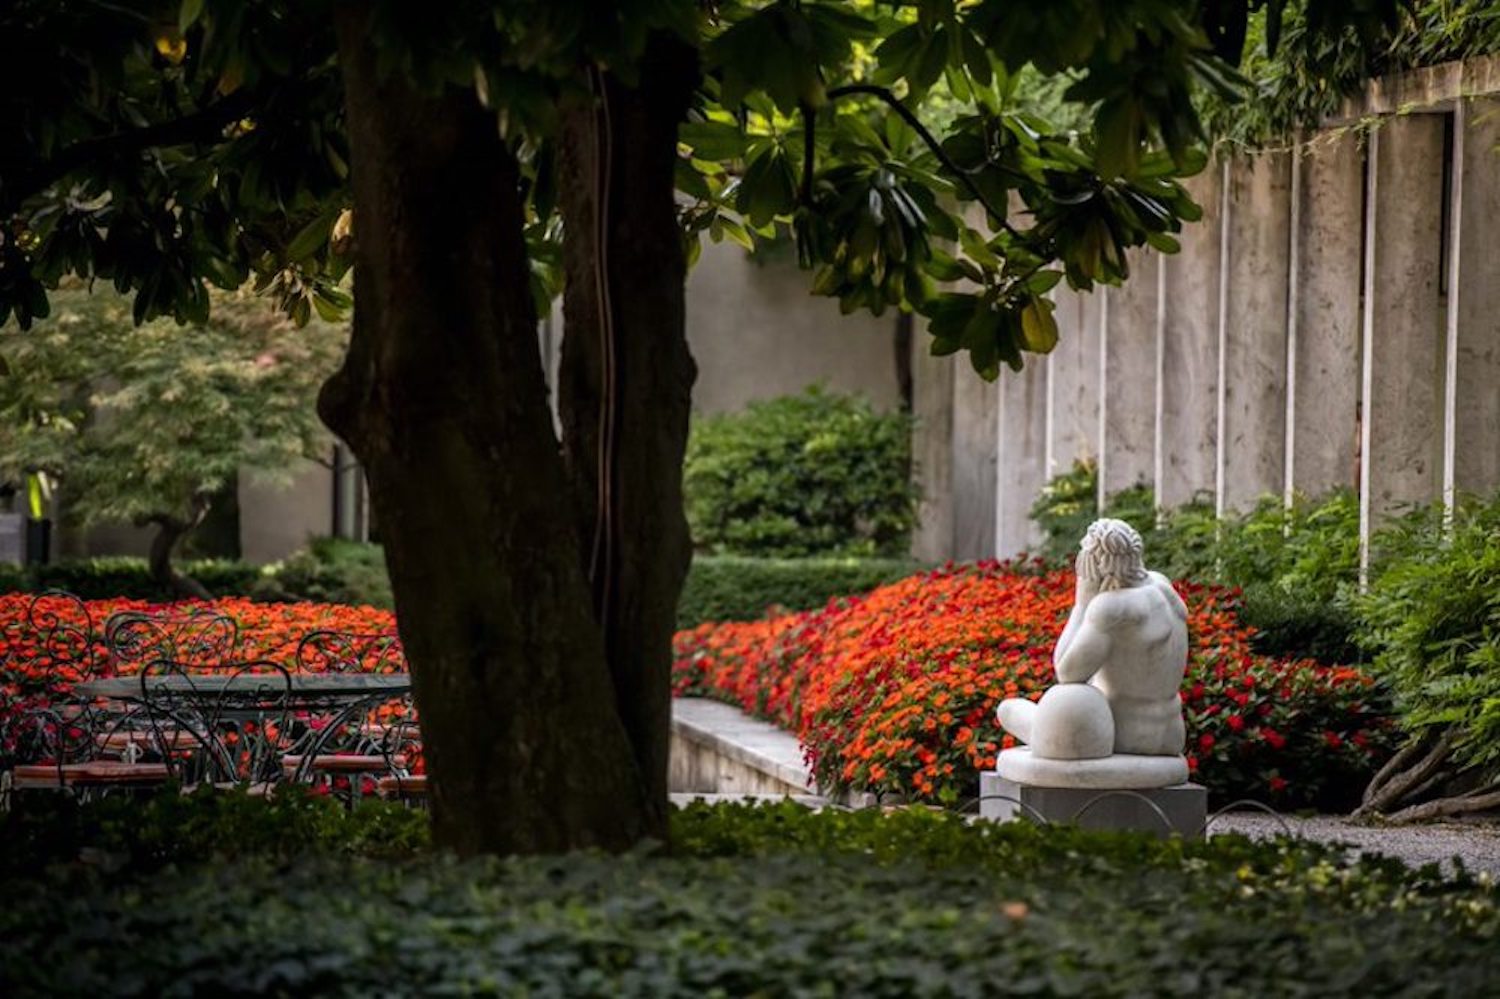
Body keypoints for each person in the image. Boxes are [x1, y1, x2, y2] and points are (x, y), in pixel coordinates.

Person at [997, 518, 1188, 759]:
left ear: (1094, 564)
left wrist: (1082, 603)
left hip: (1123, 735)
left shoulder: (1112, 608)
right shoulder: (1162, 585)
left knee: (1011, 709)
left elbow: (1066, 672)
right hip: (1170, 733)